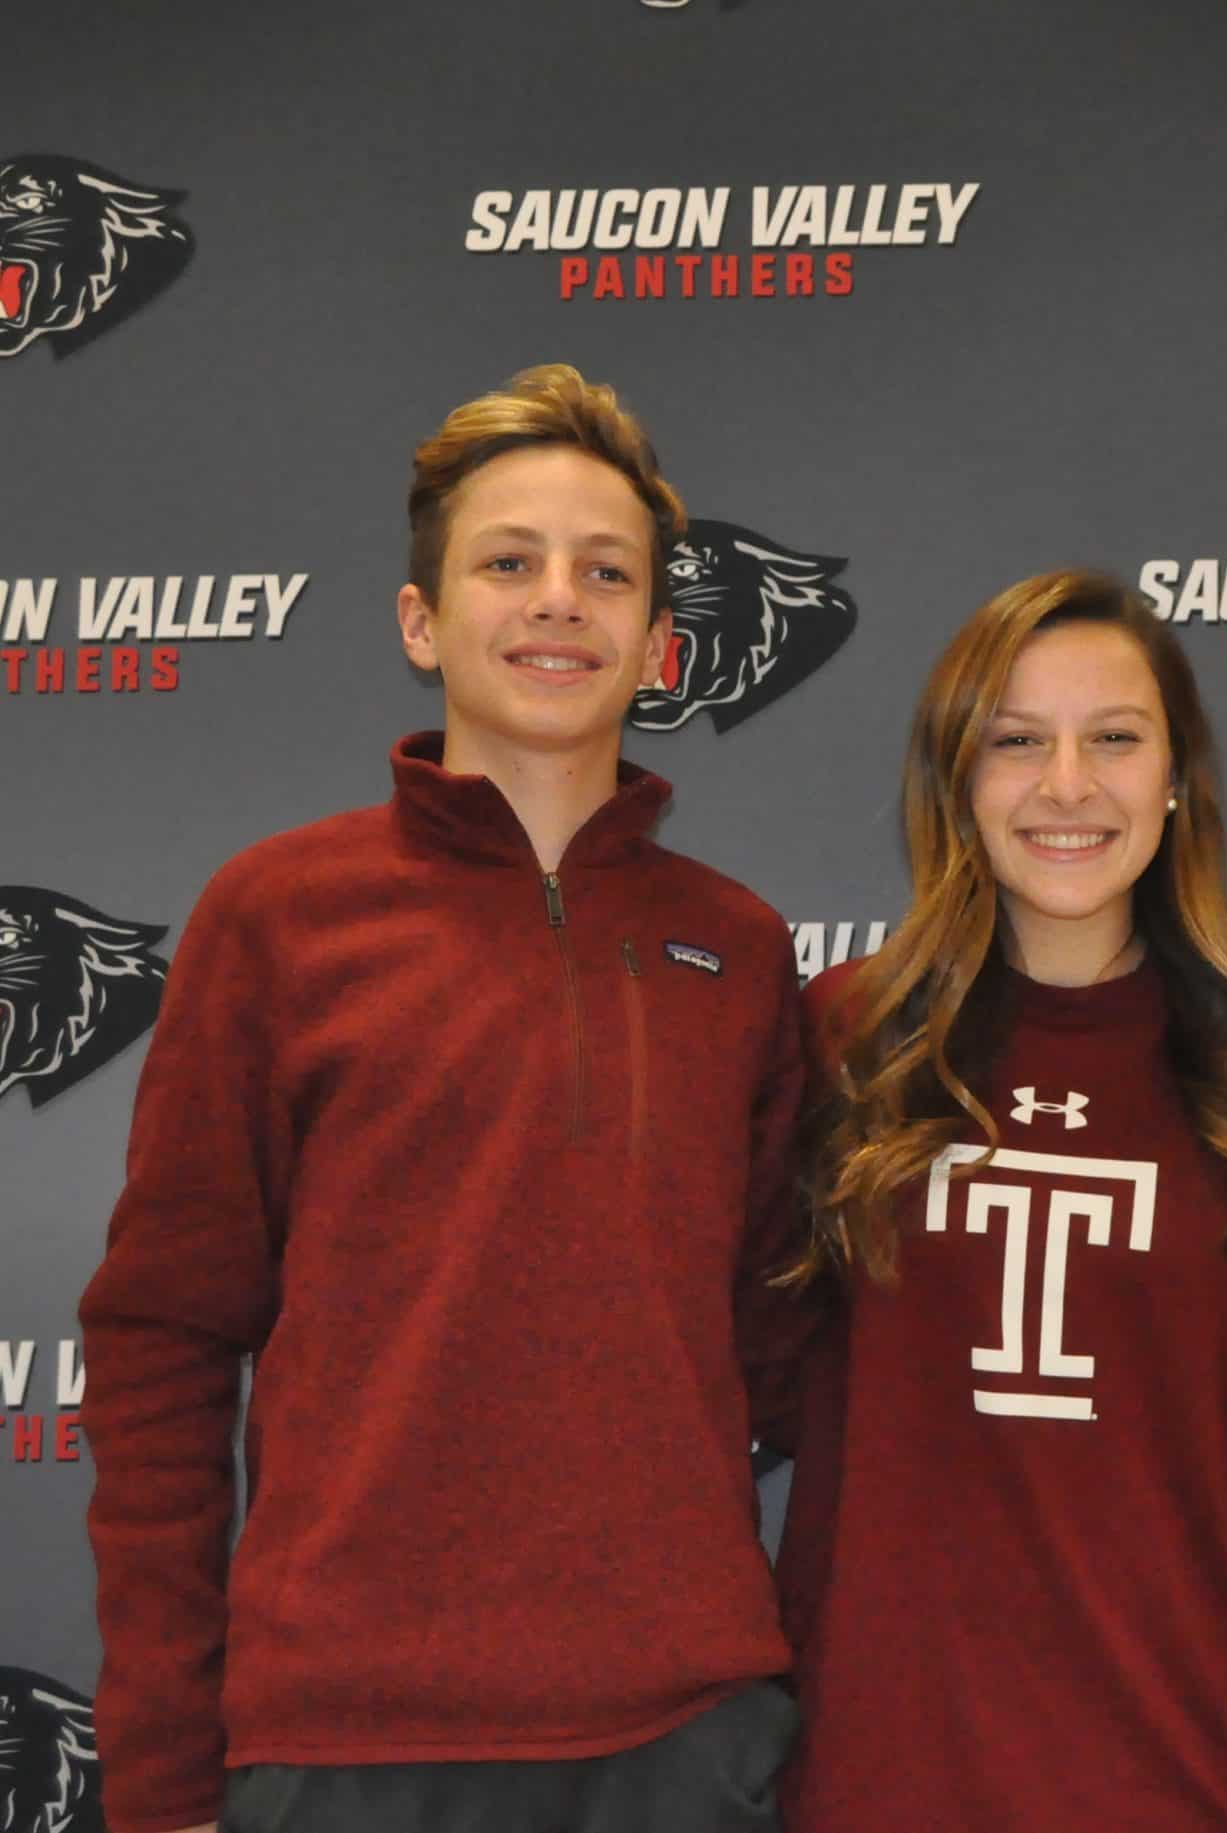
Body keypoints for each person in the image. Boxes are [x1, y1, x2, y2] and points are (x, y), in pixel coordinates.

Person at [79, 365, 808, 1833]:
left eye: (606, 573)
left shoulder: (737, 947)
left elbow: (787, 1345)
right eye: (509, 563)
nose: (560, 602)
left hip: (682, 1742)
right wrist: (159, 1776)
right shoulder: (278, 916)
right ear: (421, 622)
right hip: (348, 1743)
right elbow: (162, 1341)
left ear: (660, 645)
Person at [776, 571, 1227, 1830]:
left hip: (1186, 1766)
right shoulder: (841, 1040)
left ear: (1178, 777)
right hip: (889, 1772)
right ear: (956, 780)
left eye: (1116, 739)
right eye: (1017, 742)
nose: (1068, 785)